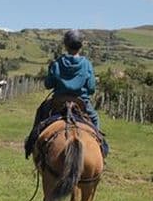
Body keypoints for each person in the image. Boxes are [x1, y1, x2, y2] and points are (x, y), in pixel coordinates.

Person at [24, 29, 109, 158]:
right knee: (95, 118)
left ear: (65, 45)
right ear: (81, 46)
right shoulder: (86, 64)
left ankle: (31, 144)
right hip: (81, 103)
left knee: (40, 112)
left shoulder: (57, 63)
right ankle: (102, 149)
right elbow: (91, 88)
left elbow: (48, 84)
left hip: (58, 102)